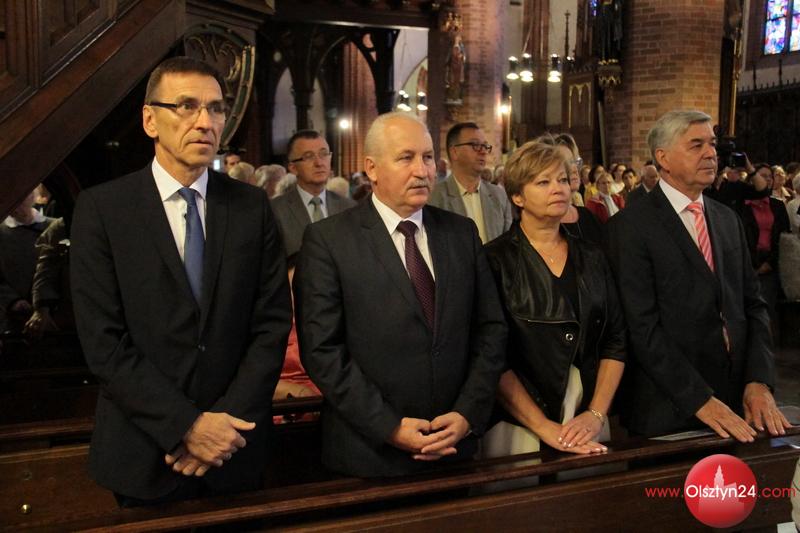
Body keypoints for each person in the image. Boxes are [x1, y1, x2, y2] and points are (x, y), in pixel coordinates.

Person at [70, 57, 292, 505]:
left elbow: (271, 325)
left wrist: (222, 426)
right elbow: (103, 342)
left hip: (235, 447)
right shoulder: (104, 210)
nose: (205, 122)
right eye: (187, 106)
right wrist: (186, 427)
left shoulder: (251, 207)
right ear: (150, 120)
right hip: (144, 451)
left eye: (216, 108)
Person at [295, 112, 507, 477]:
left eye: (428, 157)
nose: (422, 171)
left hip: (454, 445)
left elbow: (491, 329)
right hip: (369, 455)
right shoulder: (329, 241)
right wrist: (389, 427)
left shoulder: (460, 233)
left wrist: (467, 413)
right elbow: (323, 351)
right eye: (406, 158)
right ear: (372, 168)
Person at [607, 109, 789, 440]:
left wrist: (759, 380)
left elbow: (753, 304)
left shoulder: (726, 219)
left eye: (712, 144)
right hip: (669, 410)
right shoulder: (630, 226)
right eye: (696, 145)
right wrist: (699, 399)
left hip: (737, 402)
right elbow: (641, 327)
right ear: (663, 158)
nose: (710, 153)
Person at [483, 140, 626, 457]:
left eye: (562, 179)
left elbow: (615, 340)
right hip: (519, 422)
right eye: (543, 182)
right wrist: (543, 425)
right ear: (518, 196)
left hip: (587, 415)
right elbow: (491, 356)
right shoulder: (494, 260)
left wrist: (596, 413)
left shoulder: (592, 255)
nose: (558, 189)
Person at [270, 130, 356, 256]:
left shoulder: (349, 208)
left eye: (324, 154)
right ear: (293, 168)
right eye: (309, 156)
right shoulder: (275, 210)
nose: (319, 163)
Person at [428, 122, 513, 243]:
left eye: (485, 146)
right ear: (454, 152)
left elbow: (508, 243)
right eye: (475, 145)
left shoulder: (499, 196)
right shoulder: (434, 197)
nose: (483, 151)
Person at [741, 164, 791, 331]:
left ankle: (768, 344)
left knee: (768, 310)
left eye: (770, 176)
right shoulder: (743, 205)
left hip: (770, 262)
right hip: (747, 263)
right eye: (763, 176)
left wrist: (770, 262)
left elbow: (784, 237)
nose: (768, 179)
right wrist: (752, 265)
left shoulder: (777, 205)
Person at [0, 189, 54, 333]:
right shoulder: (2, 233)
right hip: (14, 317)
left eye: (20, 199)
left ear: (32, 196)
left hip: (54, 313)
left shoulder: (53, 227)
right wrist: (12, 300)